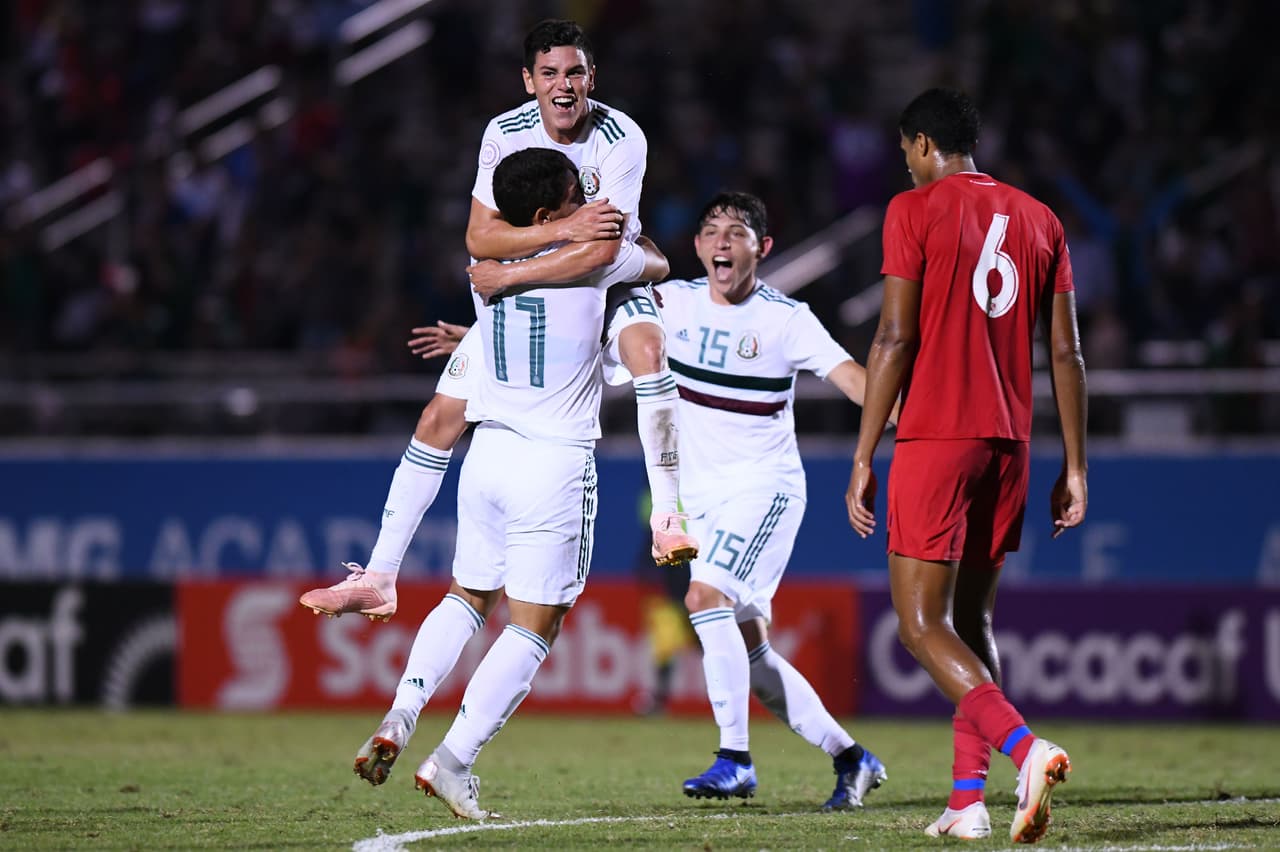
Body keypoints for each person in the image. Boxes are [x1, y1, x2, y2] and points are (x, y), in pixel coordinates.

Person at [477, 190, 890, 810]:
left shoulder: (787, 319)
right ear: (696, 247)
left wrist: (905, 420)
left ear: (763, 248)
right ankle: (852, 758)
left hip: (763, 489)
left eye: (738, 232)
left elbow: (854, 380)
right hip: (697, 501)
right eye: (711, 231)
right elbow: (586, 348)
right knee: (752, 653)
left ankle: (735, 759)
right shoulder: (671, 303)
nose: (722, 242)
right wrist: (490, 340)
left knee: (704, 598)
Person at [297, 18, 694, 622]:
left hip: (600, 288)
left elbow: (602, 252)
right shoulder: (503, 131)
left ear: (593, 77)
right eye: (550, 73)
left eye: (575, 73)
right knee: (437, 417)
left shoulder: (622, 137)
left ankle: (667, 515)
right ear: (529, 80)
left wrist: (510, 271)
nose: (564, 86)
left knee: (647, 348)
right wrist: (560, 230)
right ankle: (378, 577)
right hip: (529, 300)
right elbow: (479, 236)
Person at [351, 147, 670, 819]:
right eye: (576, 192)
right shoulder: (596, 259)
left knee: (467, 597)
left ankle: (400, 714)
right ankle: (454, 759)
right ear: (551, 213)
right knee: (534, 626)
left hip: (486, 454)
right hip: (551, 464)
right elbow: (659, 260)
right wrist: (595, 231)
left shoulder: (485, 272)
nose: (589, 197)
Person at [846, 88, 1087, 844]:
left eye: (905, 152)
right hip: (1009, 442)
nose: (906, 165)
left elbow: (892, 337)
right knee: (972, 619)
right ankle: (966, 801)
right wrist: (1076, 465)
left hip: (937, 435)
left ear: (922, 144)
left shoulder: (912, 210)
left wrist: (863, 453)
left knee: (920, 625)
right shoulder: (1041, 218)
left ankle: (1027, 748)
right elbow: (1067, 353)